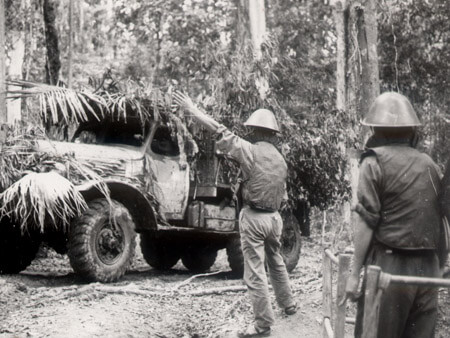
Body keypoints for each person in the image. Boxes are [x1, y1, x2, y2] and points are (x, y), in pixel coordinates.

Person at [173, 92, 296, 338]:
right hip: (275, 219)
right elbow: (282, 194)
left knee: (255, 272)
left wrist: (192, 109)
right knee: (276, 260)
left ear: (256, 131)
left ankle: (263, 326)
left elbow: (218, 130)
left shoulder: (249, 151)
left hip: (255, 218)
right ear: (273, 133)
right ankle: (289, 304)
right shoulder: (281, 160)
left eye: (251, 130)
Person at [344, 92, 444, 338]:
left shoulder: (372, 163)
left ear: (377, 130)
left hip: (391, 267)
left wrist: (354, 274)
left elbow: (367, 222)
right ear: (412, 131)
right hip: (429, 268)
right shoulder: (430, 164)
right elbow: (442, 221)